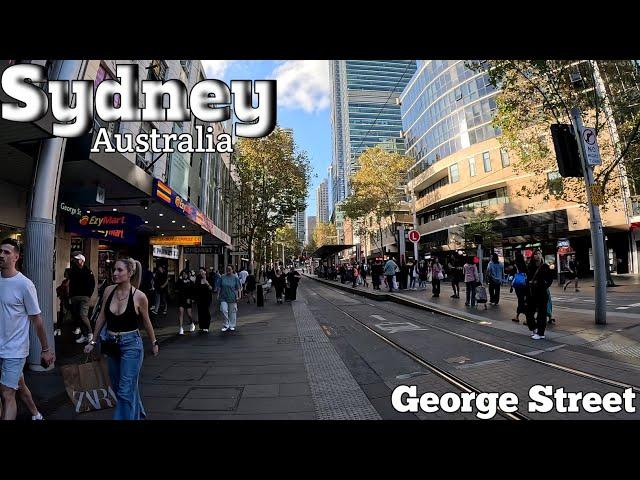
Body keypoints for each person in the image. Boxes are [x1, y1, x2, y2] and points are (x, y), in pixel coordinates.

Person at [84, 258, 158, 420]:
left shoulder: (139, 297)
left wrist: (154, 342)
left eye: (119, 270)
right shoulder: (109, 290)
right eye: (114, 270)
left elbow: (147, 321)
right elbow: (102, 316)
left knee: (125, 389)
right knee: (121, 388)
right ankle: (138, 415)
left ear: (130, 273)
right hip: (111, 345)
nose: (115, 273)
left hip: (131, 345)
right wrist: (93, 341)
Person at [0, 239, 55, 420]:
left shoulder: (25, 284)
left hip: (15, 349)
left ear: (16, 256)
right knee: (19, 384)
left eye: (7, 252)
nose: (1, 255)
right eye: (0, 251)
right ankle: (36, 413)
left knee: (7, 393)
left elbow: (37, 320)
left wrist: (46, 350)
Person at [525, 250, 554, 339]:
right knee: (529, 312)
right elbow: (527, 278)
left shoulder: (545, 266)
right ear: (533, 256)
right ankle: (534, 328)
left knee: (542, 313)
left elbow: (550, 278)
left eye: (539, 254)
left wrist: (544, 285)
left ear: (541, 256)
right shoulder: (530, 266)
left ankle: (541, 333)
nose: (537, 255)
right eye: (535, 254)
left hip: (541, 292)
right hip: (531, 292)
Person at [68, 252, 96, 344]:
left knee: (83, 315)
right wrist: (70, 296)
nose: (76, 261)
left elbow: (92, 283)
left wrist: (89, 294)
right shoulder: (73, 270)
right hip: (75, 296)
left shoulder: (88, 271)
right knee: (77, 316)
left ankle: (90, 333)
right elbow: (70, 283)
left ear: (82, 260)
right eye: (75, 259)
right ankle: (84, 335)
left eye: (78, 259)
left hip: (84, 297)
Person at [219, 265, 242, 332]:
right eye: (227, 269)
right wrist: (218, 294)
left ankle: (232, 325)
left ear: (232, 270)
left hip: (232, 297)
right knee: (224, 310)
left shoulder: (235, 278)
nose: (228, 270)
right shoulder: (222, 277)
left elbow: (238, 288)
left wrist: (239, 296)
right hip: (223, 297)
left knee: (232, 312)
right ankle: (226, 324)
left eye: (230, 269)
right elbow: (219, 286)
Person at [175, 270, 195, 335]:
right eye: (183, 274)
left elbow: (192, 291)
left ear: (188, 274)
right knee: (181, 312)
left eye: (185, 274)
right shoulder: (180, 281)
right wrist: (179, 280)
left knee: (189, 314)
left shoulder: (191, 282)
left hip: (188, 299)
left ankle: (192, 323)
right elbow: (176, 287)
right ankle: (181, 328)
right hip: (181, 299)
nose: (184, 275)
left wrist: (191, 298)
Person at [193, 267, 213, 333]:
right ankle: (201, 326)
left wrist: (206, 282)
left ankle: (206, 326)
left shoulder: (209, 278)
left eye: (202, 271)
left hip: (207, 298)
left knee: (206, 312)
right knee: (200, 312)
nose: (201, 272)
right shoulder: (198, 279)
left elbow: (211, 288)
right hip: (199, 298)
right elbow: (195, 288)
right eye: (200, 271)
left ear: (205, 272)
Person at [511, 252, 528, 323]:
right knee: (523, 300)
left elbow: (513, 275)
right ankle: (517, 316)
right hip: (524, 284)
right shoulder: (525, 265)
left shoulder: (515, 266)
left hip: (518, 286)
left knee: (521, 301)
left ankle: (525, 317)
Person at [54, 268, 70, 336]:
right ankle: (58, 329)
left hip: (69, 300)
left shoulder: (70, 281)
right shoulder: (65, 281)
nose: (64, 274)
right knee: (61, 314)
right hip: (64, 300)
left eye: (65, 272)